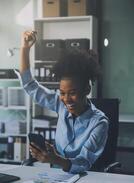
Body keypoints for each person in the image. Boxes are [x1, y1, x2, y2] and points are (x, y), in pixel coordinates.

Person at [17, 30, 109, 174]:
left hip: (83, 179)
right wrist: (25, 48)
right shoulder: (60, 104)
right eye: (62, 93)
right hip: (54, 175)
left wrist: (55, 159)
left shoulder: (99, 123)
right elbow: (30, 85)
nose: (66, 99)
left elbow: (83, 163)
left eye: (72, 93)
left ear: (87, 89)